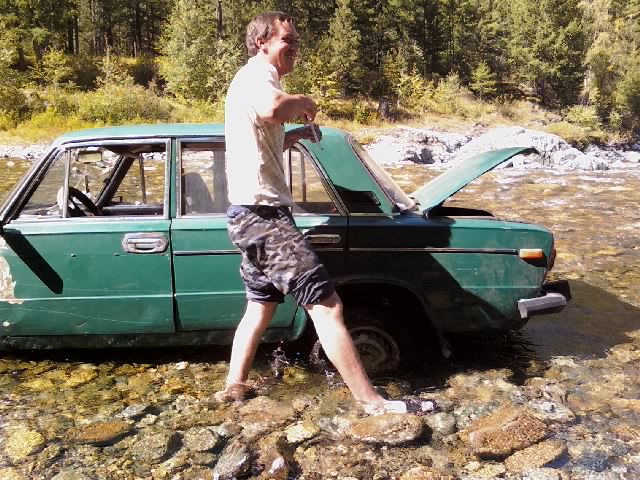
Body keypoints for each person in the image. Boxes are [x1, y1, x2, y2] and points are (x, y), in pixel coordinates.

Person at [217, 11, 433, 416]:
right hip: (263, 216)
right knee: (328, 306)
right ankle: (372, 403)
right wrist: (303, 102)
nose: (294, 47)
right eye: (287, 39)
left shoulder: (248, 79)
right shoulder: (259, 76)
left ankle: (234, 387)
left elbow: (261, 137)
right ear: (262, 42)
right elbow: (271, 109)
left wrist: (294, 135)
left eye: (296, 40)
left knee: (259, 306)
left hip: (246, 214)